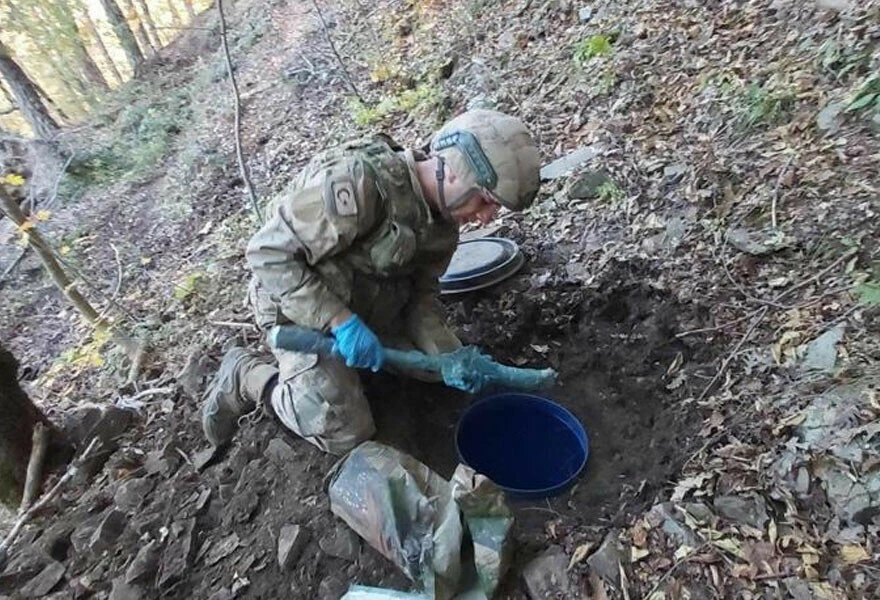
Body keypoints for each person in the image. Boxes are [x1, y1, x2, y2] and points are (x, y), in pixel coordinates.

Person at [201, 109, 541, 454]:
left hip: (371, 308)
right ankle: (248, 377)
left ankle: (356, 370)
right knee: (343, 430)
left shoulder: (443, 225)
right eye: (484, 201)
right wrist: (341, 322)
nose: (484, 217)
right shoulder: (360, 183)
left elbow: (422, 297)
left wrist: (449, 357)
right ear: (451, 172)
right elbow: (267, 254)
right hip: (300, 310)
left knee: (440, 373)